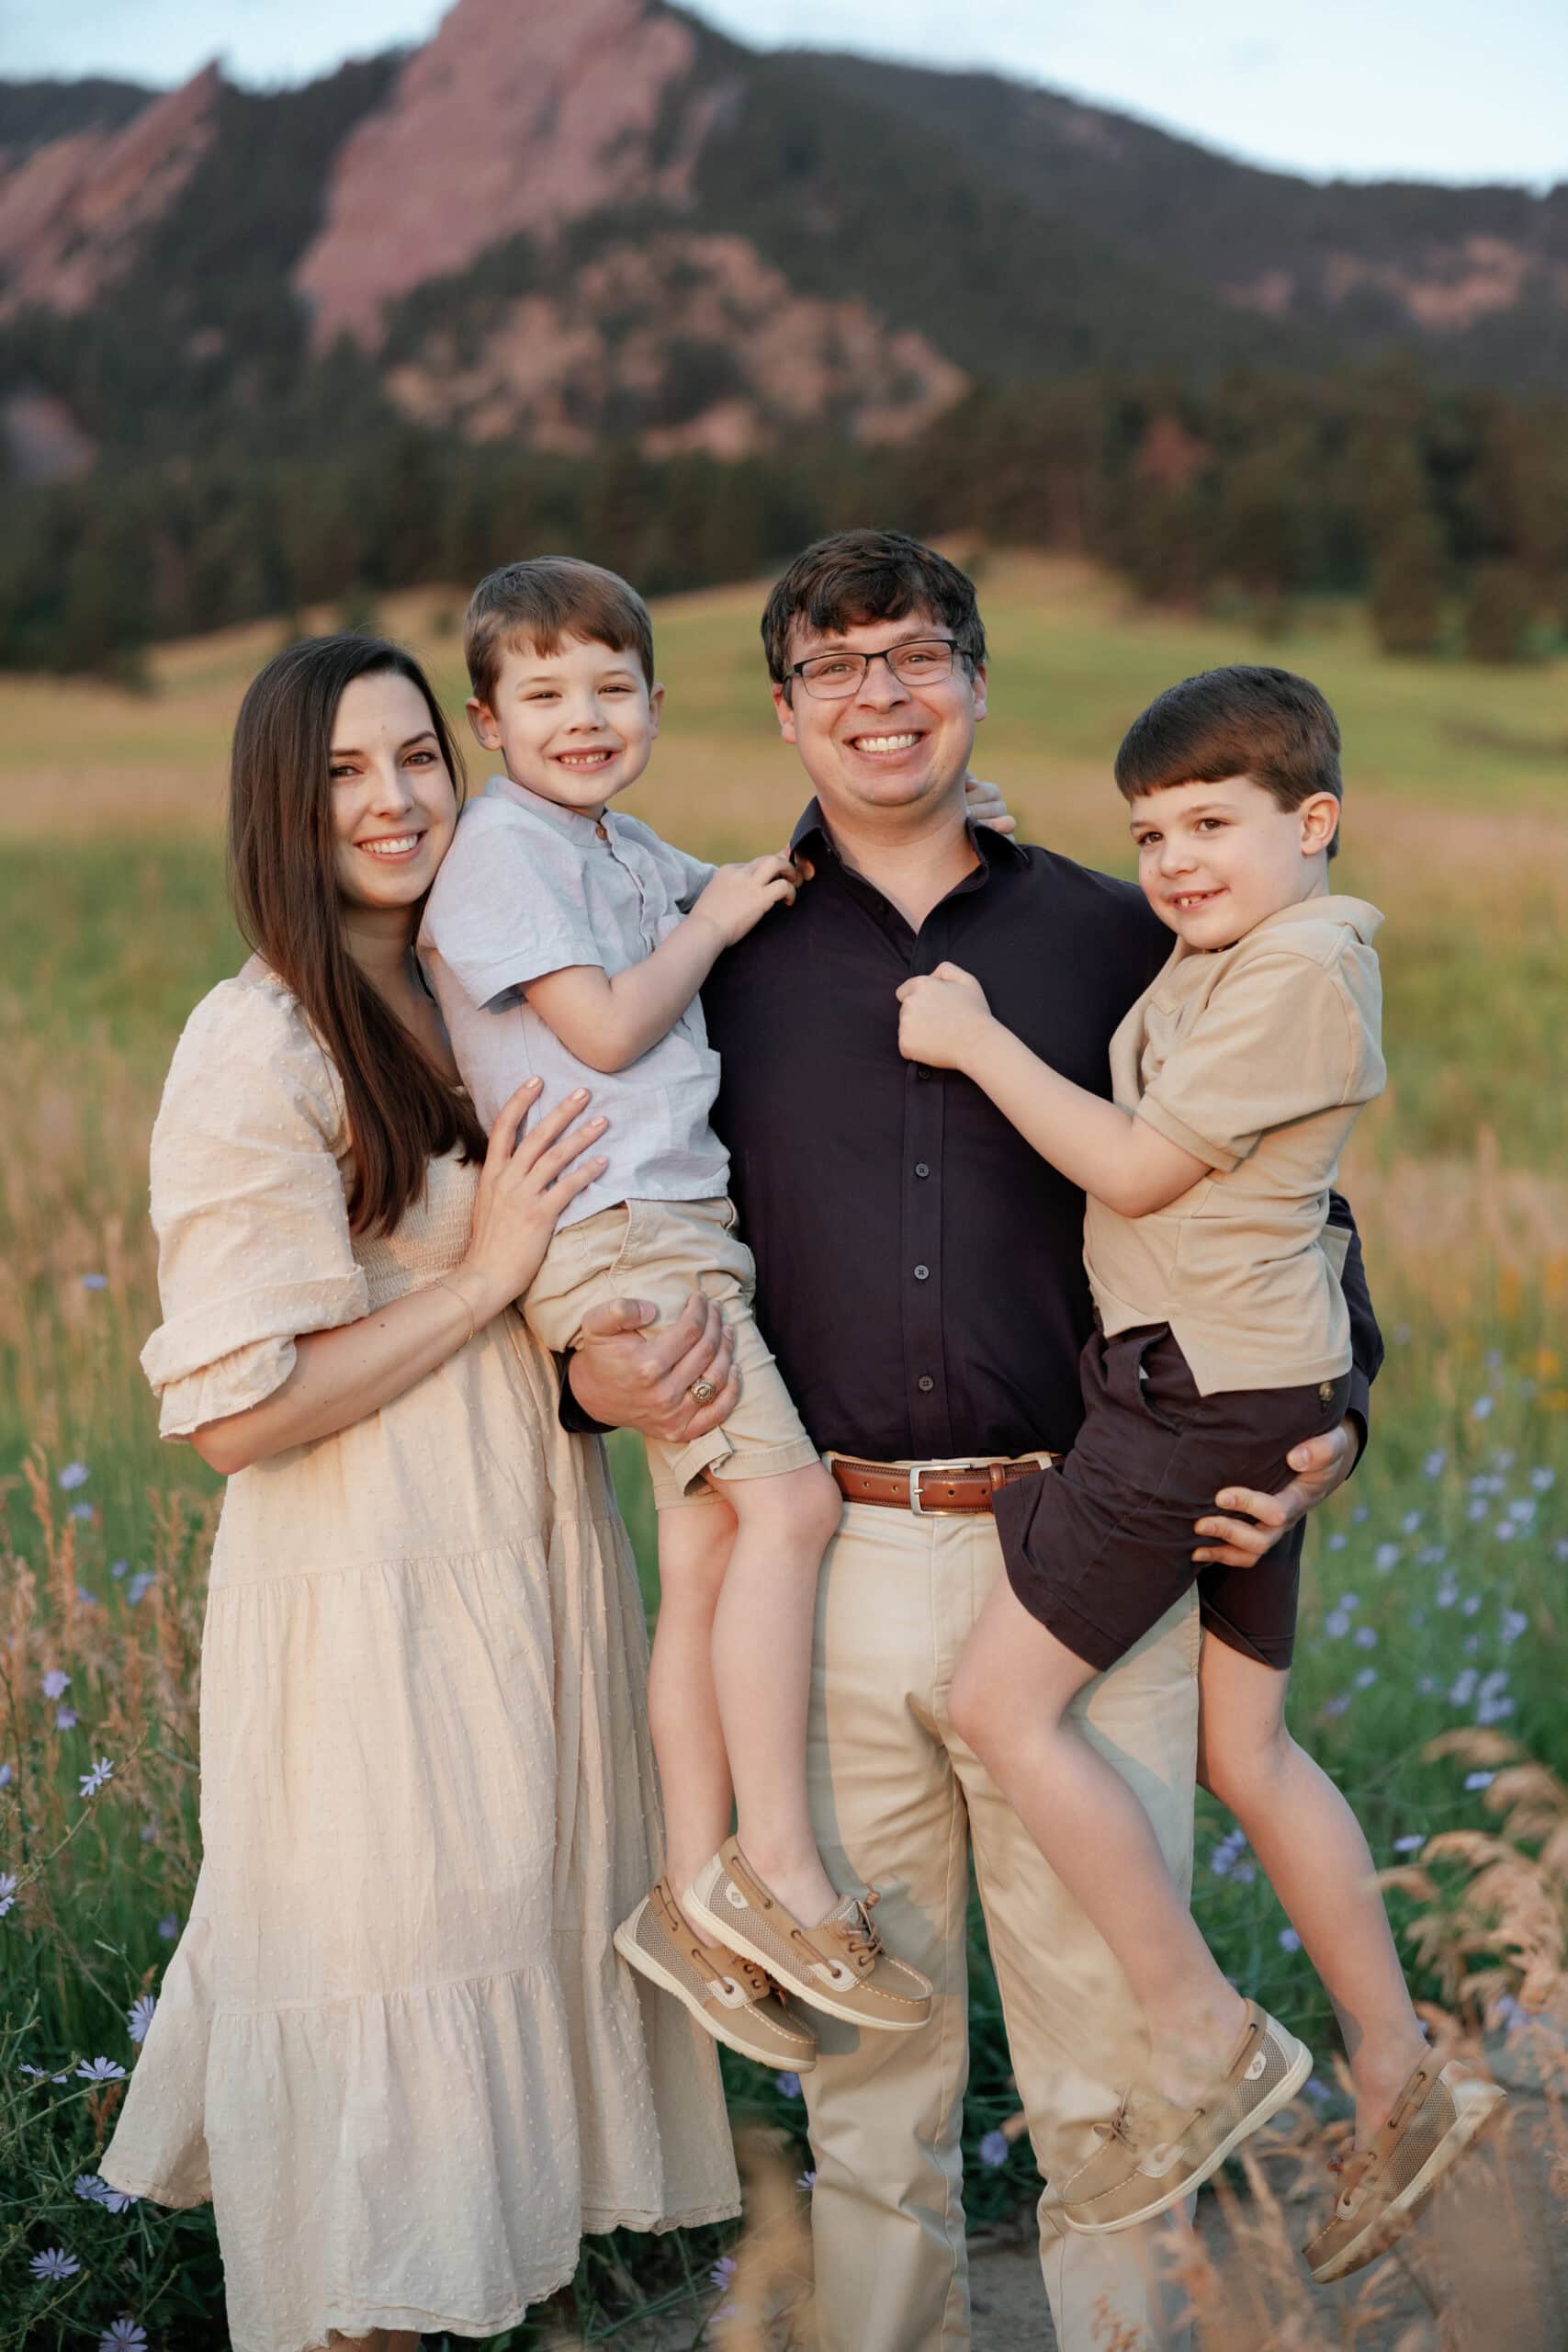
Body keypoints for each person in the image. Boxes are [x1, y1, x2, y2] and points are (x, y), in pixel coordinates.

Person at [561, 532, 1383, 2352]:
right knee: (872, 2078)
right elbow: (626, 1216)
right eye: (834, 666)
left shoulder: (1118, 928)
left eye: (914, 654)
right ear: (781, 709)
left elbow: (1289, 1202)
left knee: (1117, 2069)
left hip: (1087, 1541)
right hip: (829, 1561)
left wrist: (1334, 1409)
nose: (880, 694)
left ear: (974, 679)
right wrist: (596, 1375)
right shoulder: (714, 960)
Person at [99, 635, 741, 2352]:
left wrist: (587, 1367)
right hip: (365, 1610)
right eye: (339, 775)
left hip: (530, 1574)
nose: (390, 803)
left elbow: (555, 1291)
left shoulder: (480, 996)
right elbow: (240, 1417)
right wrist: (484, 1281)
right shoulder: (260, 1044)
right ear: (279, 813)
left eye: (414, 762)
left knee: (501, 2125)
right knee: (393, 2114)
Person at [897, 664, 1505, 2278]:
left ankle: (1203, 2029)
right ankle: (1397, 2064)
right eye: (1151, 830)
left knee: (997, 1709)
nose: (1174, 861)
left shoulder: (1304, 971)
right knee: (1251, 1749)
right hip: (1254, 1394)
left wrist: (968, 1039)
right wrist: (1014, 844)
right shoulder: (1242, 948)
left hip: (1189, 1410)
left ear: (1315, 824)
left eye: (1213, 824)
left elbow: (1135, 1161)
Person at [418, 556, 932, 2073]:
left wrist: (934, 831)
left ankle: (690, 1889)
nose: (584, 718)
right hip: (619, 1233)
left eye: (612, 689)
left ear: (653, 700)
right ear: (488, 719)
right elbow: (612, 1019)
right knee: (790, 1513)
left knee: (710, 1549)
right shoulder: (504, 852)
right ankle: (778, 1868)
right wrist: (706, 927)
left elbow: (749, 887)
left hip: (678, 1224)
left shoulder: (614, 842)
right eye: (547, 695)